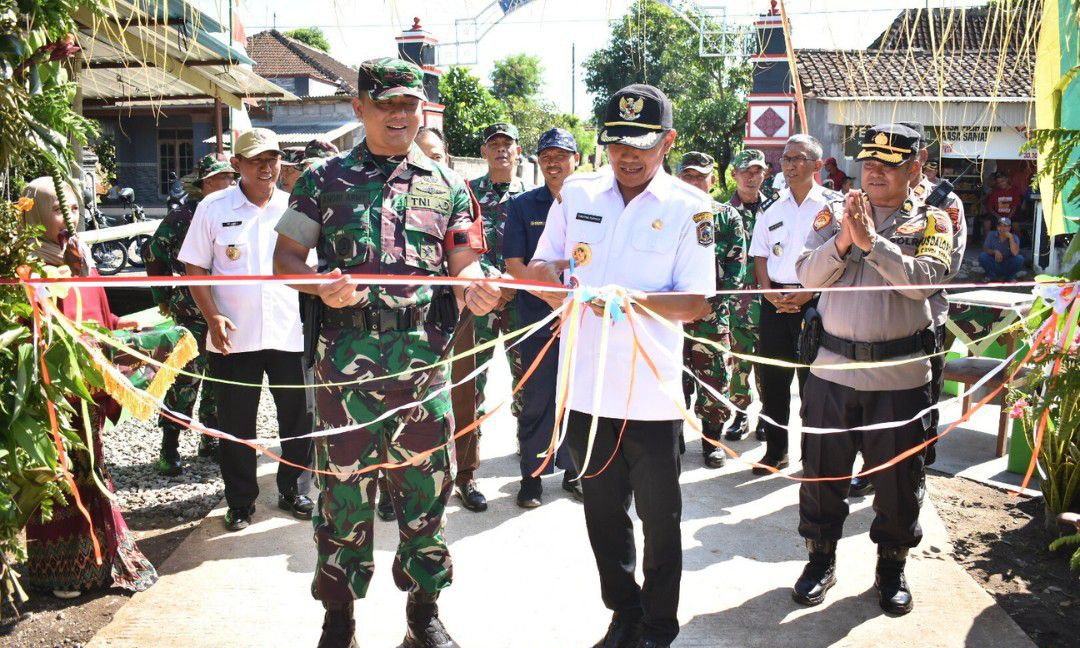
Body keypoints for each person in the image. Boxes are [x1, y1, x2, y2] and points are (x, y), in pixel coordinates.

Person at [273, 57, 499, 648]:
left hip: (422, 367)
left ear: (422, 109)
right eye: (386, 103)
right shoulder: (321, 179)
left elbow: (464, 265)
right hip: (343, 367)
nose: (399, 114)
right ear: (360, 108)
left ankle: (423, 617)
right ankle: (339, 619)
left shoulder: (450, 186)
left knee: (427, 493)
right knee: (342, 495)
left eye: (409, 104)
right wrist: (318, 282)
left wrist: (480, 287)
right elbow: (285, 263)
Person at [527, 84, 713, 648]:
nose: (628, 155)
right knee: (602, 518)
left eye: (641, 142)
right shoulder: (577, 194)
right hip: (585, 392)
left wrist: (628, 299)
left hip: (652, 400)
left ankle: (659, 625)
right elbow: (539, 270)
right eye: (615, 142)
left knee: (661, 522)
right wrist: (564, 291)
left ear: (668, 142)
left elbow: (697, 302)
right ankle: (624, 612)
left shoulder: (689, 206)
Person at [794, 123, 952, 616]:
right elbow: (804, 274)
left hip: (899, 381)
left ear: (916, 168)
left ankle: (891, 566)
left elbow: (923, 284)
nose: (876, 171)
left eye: (890, 163)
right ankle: (820, 560)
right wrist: (844, 240)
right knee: (822, 475)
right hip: (832, 375)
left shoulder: (934, 221)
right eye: (869, 162)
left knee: (899, 482)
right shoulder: (833, 212)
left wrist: (874, 244)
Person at [20, 177, 158, 599]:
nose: (72, 218)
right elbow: (37, 328)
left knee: (92, 467)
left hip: (87, 388)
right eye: (62, 210)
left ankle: (99, 561)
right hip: (51, 392)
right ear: (37, 215)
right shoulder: (25, 267)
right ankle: (61, 571)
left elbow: (99, 313)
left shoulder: (81, 258)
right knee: (60, 474)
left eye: (77, 210)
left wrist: (122, 327)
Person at [178, 128, 315, 532]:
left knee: (299, 417)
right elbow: (195, 268)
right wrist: (211, 316)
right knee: (236, 423)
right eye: (256, 160)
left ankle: (295, 489)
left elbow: (312, 270)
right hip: (233, 336)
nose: (266, 167)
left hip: (290, 333)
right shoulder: (213, 207)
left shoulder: (295, 208)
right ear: (236, 164)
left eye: (272, 158)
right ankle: (240, 501)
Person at [748, 134, 841, 475]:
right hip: (776, 302)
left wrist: (809, 291)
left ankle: (812, 458)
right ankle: (775, 453)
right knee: (773, 382)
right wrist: (767, 291)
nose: (789, 164)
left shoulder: (833, 207)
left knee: (814, 386)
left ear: (817, 165)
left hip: (816, 303)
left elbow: (843, 257)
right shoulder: (771, 208)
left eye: (798, 158)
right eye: (786, 158)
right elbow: (759, 255)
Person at [503, 127, 583, 507]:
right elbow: (515, 266)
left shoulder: (593, 202)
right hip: (538, 317)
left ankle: (574, 471)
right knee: (536, 399)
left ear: (576, 159)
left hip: (585, 319)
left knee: (576, 396)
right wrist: (552, 300)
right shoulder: (522, 206)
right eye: (546, 156)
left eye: (561, 155)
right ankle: (532, 476)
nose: (553, 163)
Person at [145, 153, 236, 475]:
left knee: (219, 380)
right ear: (206, 183)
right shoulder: (183, 216)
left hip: (229, 311)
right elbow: (154, 255)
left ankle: (210, 439)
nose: (229, 183)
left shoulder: (233, 212)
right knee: (185, 380)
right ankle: (169, 445)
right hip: (192, 314)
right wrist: (163, 298)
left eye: (231, 177)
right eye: (222, 178)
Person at [457, 121, 529, 512]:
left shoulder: (533, 196)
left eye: (508, 144)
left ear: (518, 151)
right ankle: (466, 474)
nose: (501, 149)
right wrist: (487, 284)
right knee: (470, 386)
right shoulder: (468, 194)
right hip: (480, 300)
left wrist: (516, 284)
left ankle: (531, 457)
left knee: (529, 381)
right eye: (494, 144)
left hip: (522, 302)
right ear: (484, 152)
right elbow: (461, 244)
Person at [676, 151, 748, 467]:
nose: (694, 182)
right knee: (671, 374)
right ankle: (671, 436)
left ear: (712, 180)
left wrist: (708, 303)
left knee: (714, 377)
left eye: (700, 176)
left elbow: (737, 268)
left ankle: (711, 441)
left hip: (711, 316)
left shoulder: (727, 216)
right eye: (688, 176)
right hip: (669, 316)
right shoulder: (664, 214)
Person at [726, 149, 777, 442]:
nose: (750, 177)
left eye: (757, 171)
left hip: (769, 302)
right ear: (734, 174)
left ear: (764, 175)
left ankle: (767, 416)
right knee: (739, 364)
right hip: (736, 305)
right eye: (745, 171)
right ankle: (740, 414)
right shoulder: (722, 212)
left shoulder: (774, 210)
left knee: (768, 363)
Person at [982, 172, 1023, 237]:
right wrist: (998, 217)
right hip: (997, 216)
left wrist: (1008, 218)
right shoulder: (995, 191)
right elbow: (990, 207)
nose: (1001, 184)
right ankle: (987, 244)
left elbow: (1015, 207)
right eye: (998, 182)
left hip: (1011, 215)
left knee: (1016, 226)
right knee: (987, 223)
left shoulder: (1015, 190)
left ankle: (1017, 245)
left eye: (1002, 181)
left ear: (1007, 180)